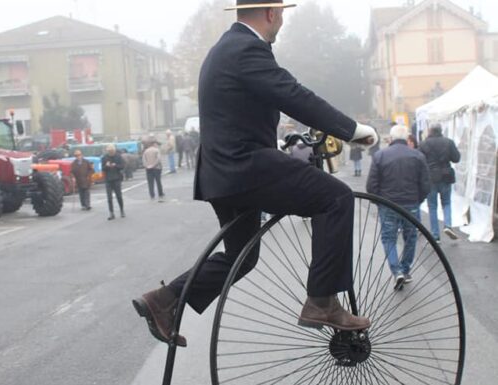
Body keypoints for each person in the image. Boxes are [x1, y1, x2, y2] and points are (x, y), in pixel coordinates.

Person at [132, 0, 378, 347]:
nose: (281, 22)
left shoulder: (226, 49)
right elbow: (294, 96)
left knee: (242, 257)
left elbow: (239, 114)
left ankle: (166, 300)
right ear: (270, 13)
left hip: (221, 172)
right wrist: (352, 129)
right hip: (243, 166)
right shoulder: (247, 49)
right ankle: (322, 301)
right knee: (336, 197)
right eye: (281, 15)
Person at [366, 125, 430, 290]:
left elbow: (372, 185)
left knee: (389, 238)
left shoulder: (380, 155)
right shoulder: (417, 156)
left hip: (388, 203)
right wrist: (418, 199)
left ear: (391, 138)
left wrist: (378, 201)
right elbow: (425, 183)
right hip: (411, 203)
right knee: (410, 237)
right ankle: (405, 269)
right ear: (407, 137)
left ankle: (396, 270)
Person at [419, 123, 461, 241]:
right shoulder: (448, 142)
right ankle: (447, 225)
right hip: (446, 175)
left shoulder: (424, 144)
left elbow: (420, 160)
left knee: (432, 206)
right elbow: (456, 158)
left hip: (430, 177)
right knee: (446, 202)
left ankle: (435, 235)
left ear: (430, 131)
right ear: (441, 130)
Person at [101, 145, 125, 220]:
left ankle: (122, 210)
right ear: (107, 151)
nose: (111, 152)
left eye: (112, 151)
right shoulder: (104, 158)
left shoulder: (118, 157)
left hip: (117, 178)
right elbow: (102, 168)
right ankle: (111, 213)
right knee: (109, 198)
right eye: (109, 151)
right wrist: (107, 166)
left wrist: (116, 165)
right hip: (108, 180)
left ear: (114, 151)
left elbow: (122, 166)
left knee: (119, 196)